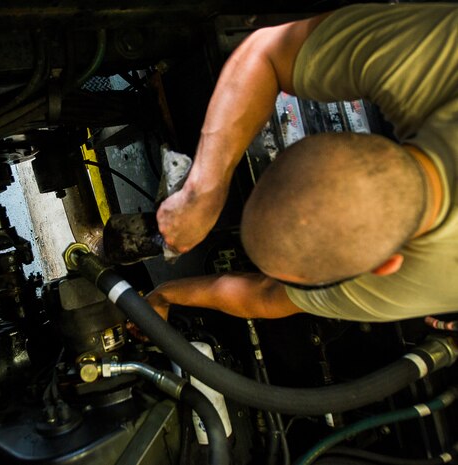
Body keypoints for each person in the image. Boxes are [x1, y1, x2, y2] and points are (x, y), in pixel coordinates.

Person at [149, 3, 458, 322]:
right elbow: (267, 54)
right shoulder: (441, 53)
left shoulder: (418, 282)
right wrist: (201, 192)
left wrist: (164, 291)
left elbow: (265, 297)